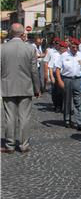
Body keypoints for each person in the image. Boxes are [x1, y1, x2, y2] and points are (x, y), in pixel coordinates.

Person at [1, 23, 41, 153]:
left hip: (7, 86)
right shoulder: (30, 49)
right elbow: (34, 71)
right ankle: (24, 145)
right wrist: (37, 88)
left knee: (9, 117)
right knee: (24, 117)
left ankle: (10, 145)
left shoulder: (2, 48)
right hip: (25, 86)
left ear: (10, 33)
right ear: (23, 33)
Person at [55, 37, 81, 130]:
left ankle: (80, 122)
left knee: (78, 100)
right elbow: (57, 69)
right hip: (67, 79)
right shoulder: (64, 55)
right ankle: (67, 119)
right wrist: (60, 81)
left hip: (78, 79)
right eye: (73, 47)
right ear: (69, 46)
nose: (75, 49)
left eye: (77, 47)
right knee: (67, 100)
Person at [49, 39, 66, 112]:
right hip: (56, 74)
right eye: (60, 47)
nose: (61, 49)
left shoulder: (67, 55)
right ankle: (57, 106)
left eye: (63, 47)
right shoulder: (55, 55)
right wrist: (51, 76)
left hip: (64, 75)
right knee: (56, 92)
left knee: (64, 92)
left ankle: (64, 107)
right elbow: (50, 66)